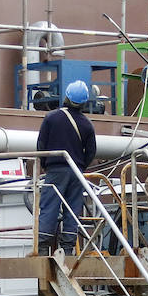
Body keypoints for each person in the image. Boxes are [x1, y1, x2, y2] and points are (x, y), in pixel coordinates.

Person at [34, 79, 97, 255]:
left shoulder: (51, 118)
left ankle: (41, 247)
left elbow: (41, 145)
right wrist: (80, 165)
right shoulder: (87, 124)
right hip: (76, 171)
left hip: (55, 170)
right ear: (84, 101)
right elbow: (91, 151)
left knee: (49, 206)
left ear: (66, 97)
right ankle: (68, 249)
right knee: (73, 208)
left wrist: (45, 165)